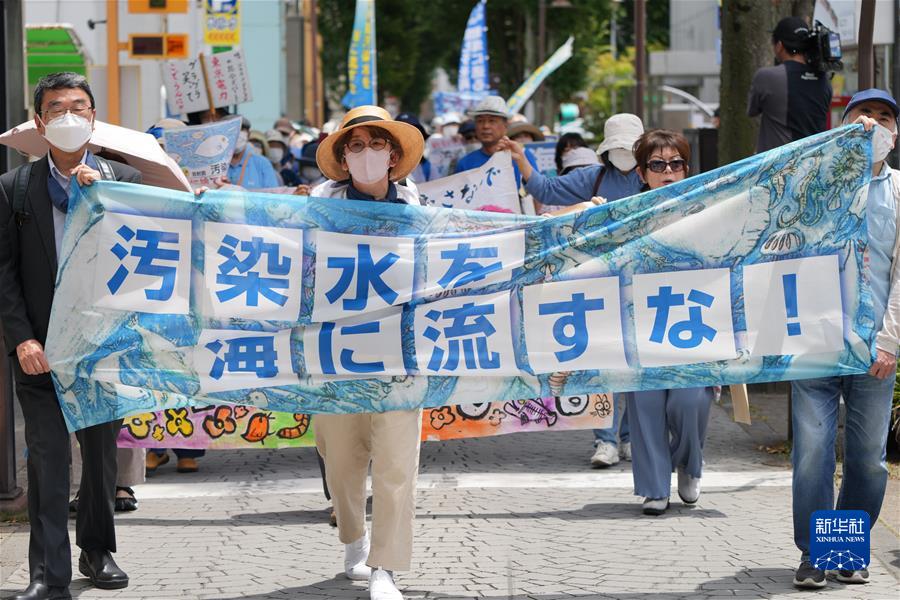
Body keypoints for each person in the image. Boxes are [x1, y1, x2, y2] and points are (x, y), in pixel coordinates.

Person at [0, 72, 137, 600]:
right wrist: (21, 339)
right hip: (41, 350)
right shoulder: (14, 189)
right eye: (57, 109)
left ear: (95, 116)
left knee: (100, 455)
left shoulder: (121, 181)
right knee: (48, 455)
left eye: (79, 107)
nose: (69, 117)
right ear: (39, 122)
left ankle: (98, 551)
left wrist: (103, 198)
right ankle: (46, 571)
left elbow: (152, 259)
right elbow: (4, 273)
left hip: (102, 346)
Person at [311, 105, 425, 600]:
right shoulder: (318, 209)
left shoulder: (421, 212)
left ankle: (386, 567)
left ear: (394, 155)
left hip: (402, 355)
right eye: (354, 146)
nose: (366, 154)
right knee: (341, 459)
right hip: (335, 354)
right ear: (341, 156)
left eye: (376, 144)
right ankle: (353, 540)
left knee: (398, 464)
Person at [790, 88, 899, 590]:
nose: (873, 125)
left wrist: (891, 339)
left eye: (884, 117)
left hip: (875, 346)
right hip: (814, 341)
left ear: (894, 135)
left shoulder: (899, 192)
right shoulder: (810, 182)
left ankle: (844, 548)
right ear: (842, 124)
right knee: (812, 450)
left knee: (867, 459)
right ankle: (816, 552)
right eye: (863, 115)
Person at [625, 129, 714, 515]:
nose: (668, 172)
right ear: (642, 173)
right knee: (644, 406)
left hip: (693, 326)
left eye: (676, 163)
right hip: (639, 328)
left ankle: (689, 465)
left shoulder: (707, 210)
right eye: (657, 164)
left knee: (690, 401)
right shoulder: (622, 217)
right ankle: (654, 486)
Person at [747, 16, 832, 153]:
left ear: (779, 46)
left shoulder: (766, 77)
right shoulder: (824, 80)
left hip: (778, 169)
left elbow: (752, 110)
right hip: (813, 165)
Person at [454, 95, 538, 188]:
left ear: (505, 126)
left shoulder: (521, 156)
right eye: (480, 121)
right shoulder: (465, 163)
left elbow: (537, 194)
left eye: (492, 121)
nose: (486, 126)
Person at [227, 117, 280, 189]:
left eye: (241, 129)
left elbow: (272, 196)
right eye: (232, 129)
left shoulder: (262, 163)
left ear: (248, 134)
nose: (237, 133)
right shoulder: (215, 164)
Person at [395, 112, 431, 183]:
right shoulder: (384, 167)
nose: (409, 138)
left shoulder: (428, 167)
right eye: (403, 133)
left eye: (414, 134)